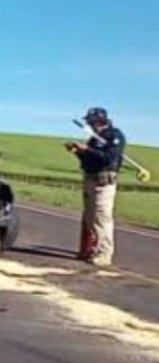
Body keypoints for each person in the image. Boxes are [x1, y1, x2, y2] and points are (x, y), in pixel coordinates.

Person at [64, 107, 125, 266]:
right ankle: (90, 249)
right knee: (90, 218)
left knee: (102, 218)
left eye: (91, 122)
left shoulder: (114, 136)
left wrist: (88, 150)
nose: (89, 125)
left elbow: (109, 158)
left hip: (103, 182)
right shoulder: (94, 138)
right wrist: (78, 152)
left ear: (99, 121)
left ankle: (104, 254)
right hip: (90, 179)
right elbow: (89, 160)